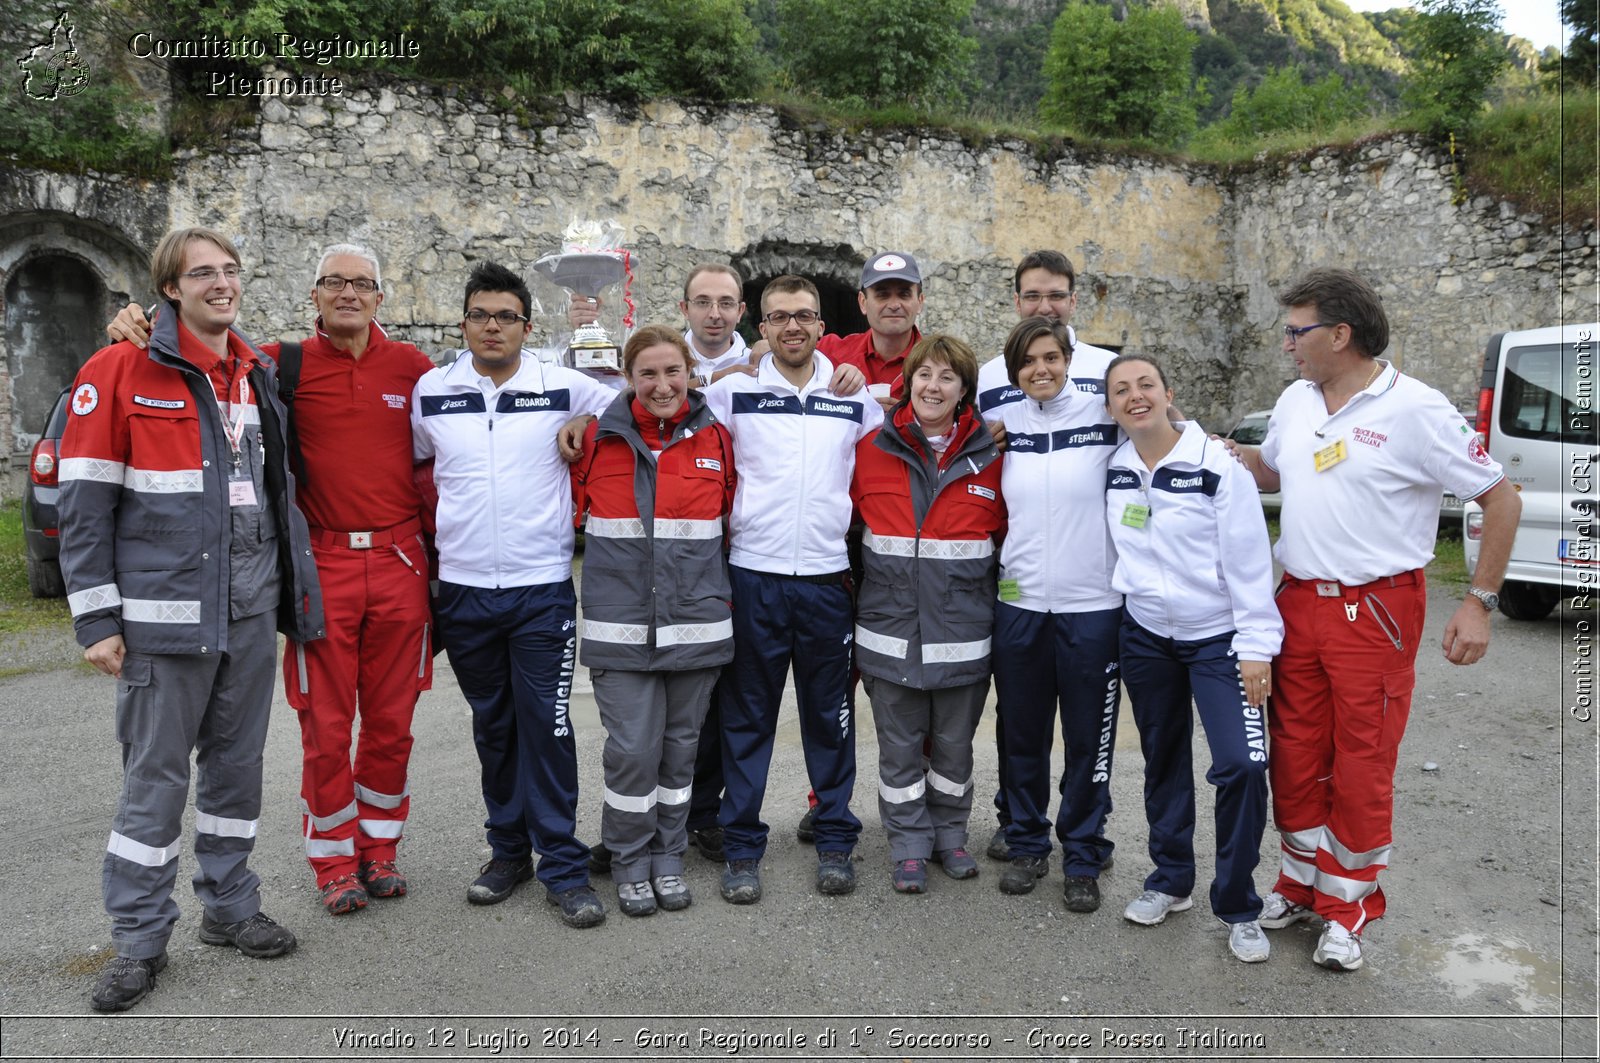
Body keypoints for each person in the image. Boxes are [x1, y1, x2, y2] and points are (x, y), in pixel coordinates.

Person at [107, 244, 440, 917]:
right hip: (322, 566)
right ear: (312, 294)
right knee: (324, 724)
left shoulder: (415, 369)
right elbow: (193, 356)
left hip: (402, 563)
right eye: (333, 282)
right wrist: (136, 324)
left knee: (391, 723)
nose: (348, 293)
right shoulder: (274, 365)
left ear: (381, 296)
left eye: (362, 284)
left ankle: (380, 849)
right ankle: (335, 862)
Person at [1227, 267, 1521, 971]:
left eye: (1297, 331)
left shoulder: (1416, 408)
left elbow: (1501, 498)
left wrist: (1479, 601)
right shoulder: (1297, 401)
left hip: (1373, 606)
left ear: (1341, 333)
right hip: (1296, 598)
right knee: (1295, 755)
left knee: (1361, 761)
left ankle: (1348, 907)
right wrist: (1189, 446)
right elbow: (1272, 471)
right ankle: (1299, 884)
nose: (1288, 344)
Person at [61, 227, 324, 1012]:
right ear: (167, 290)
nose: (222, 283)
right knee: (154, 782)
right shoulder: (117, 370)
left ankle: (230, 903)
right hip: (159, 622)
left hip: (248, 612)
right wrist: (97, 618)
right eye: (202, 273)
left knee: (236, 773)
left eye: (231, 270)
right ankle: (139, 940)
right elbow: (84, 504)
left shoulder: (257, 372)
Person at [411, 261, 617, 929]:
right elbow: (416, 461)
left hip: (542, 591)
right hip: (465, 591)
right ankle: (507, 851)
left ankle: (561, 860)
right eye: (480, 314)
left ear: (528, 326)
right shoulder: (431, 390)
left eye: (505, 316)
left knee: (549, 726)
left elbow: (645, 404)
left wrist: (588, 426)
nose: (491, 325)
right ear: (464, 322)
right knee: (494, 725)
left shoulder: (565, 385)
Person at [700, 274, 882, 903]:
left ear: (821, 325)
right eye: (779, 318)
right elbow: (661, 410)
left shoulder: (855, 399)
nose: (793, 328)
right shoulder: (736, 394)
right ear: (762, 328)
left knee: (829, 720)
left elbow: (888, 473)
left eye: (804, 316)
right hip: (754, 575)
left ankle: (835, 839)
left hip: (828, 581)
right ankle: (742, 847)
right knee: (746, 719)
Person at [1103, 354, 1281, 964]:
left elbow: (1251, 561)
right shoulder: (1117, 468)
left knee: (1242, 765)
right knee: (1164, 758)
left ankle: (1238, 904)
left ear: (1168, 393)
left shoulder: (1216, 466)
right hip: (1147, 635)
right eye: (1121, 390)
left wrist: (1257, 646)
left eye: (1145, 385)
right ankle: (1169, 879)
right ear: (1110, 407)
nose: (1134, 396)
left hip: (1221, 640)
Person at [570, 325, 738, 916]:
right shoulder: (593, 440)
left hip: (697, 627)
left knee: (680, 750)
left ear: (691, 374)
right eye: (648, 373)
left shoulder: (720, 438)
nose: (662, 385)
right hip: (622, 631)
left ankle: (669, 855)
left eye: (673, 372)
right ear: (627, 377)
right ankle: (628, 857)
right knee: (633, 750)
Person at [972, 249, 1123, 864]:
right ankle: (1022, 829)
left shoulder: (1111, 376)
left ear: (1073, 301)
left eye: (1055, 295)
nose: (1044, 306)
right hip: (1021, 592)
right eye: (1032, 297)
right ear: (1015, 302)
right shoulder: (990, 385)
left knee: (1090, 732)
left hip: (1095, 595)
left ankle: (1086, 841)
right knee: (1021, 726)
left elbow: (1160, 433)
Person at [850, 334, 1004, 893]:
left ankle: (950, 837)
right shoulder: (870, 450)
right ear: (907, 383)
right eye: (923, 375)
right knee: (898, 750)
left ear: (964, 391)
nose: (932, 386)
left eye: (946, 377)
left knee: (954, 748)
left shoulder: (993, 459)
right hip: (889, 636)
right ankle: (908, 844)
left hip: (963, 639)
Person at [816, 251, 925, 414]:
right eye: (882, 295)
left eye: (904, 294)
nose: (894, 305)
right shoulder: (829, 351)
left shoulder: (942, 364)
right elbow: (784, 355)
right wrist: (764, 352)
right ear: (863, 302)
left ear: (920, 302)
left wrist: (909, 418)